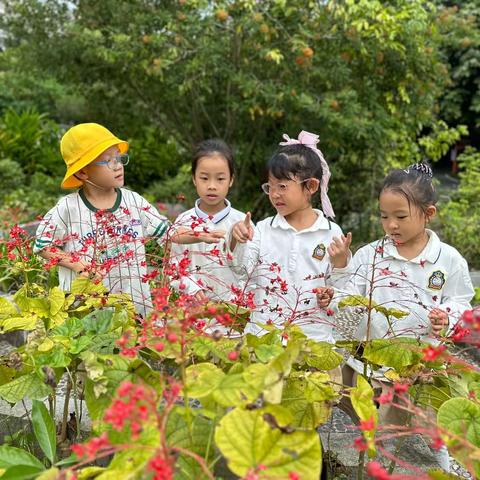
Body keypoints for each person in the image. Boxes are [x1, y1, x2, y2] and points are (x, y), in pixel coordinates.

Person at [325, 162, 474, 471]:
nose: (391, 225)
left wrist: (447, 316)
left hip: (424, 364)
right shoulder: (371, 255)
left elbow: (462, 302)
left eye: (401, 217)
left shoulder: (447, 259)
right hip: (376, 362)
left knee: (435, 422)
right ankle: (371, 462)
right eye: (384, 217)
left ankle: (447, 465)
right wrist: (338, 274)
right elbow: (347, 299)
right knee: (372, 419)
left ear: (428, 213)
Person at [34, 123, 223, 317]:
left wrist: (199, 234)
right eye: (109, 161)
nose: (118, 166)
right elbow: (43, 245)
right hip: (87, 309)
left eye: (119, 158)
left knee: (135, 345)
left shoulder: (133, 201)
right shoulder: (69, 208)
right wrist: (79, 265)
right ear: (83, 172)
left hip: (135, 304)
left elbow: (169, 233)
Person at [228, 130, 349, 343]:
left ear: (311, 186)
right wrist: (237, 240)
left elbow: (344, 290)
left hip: (313, 342)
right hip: (264, 339)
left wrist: (339, 266)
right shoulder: (263, 230)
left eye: (282, 186)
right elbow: (241, 270)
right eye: (270, 187)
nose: (274, 194)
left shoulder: (331, 233)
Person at [170, 139, 246, 303]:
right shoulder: (183, 221)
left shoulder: (241, 222)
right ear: (194, 179)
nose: (212, 186)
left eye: (220, 179)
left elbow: (249, 270)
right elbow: (173, 266)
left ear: (231, 180)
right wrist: (191, 288)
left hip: (231, 314)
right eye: (204, 178)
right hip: (191, 312)